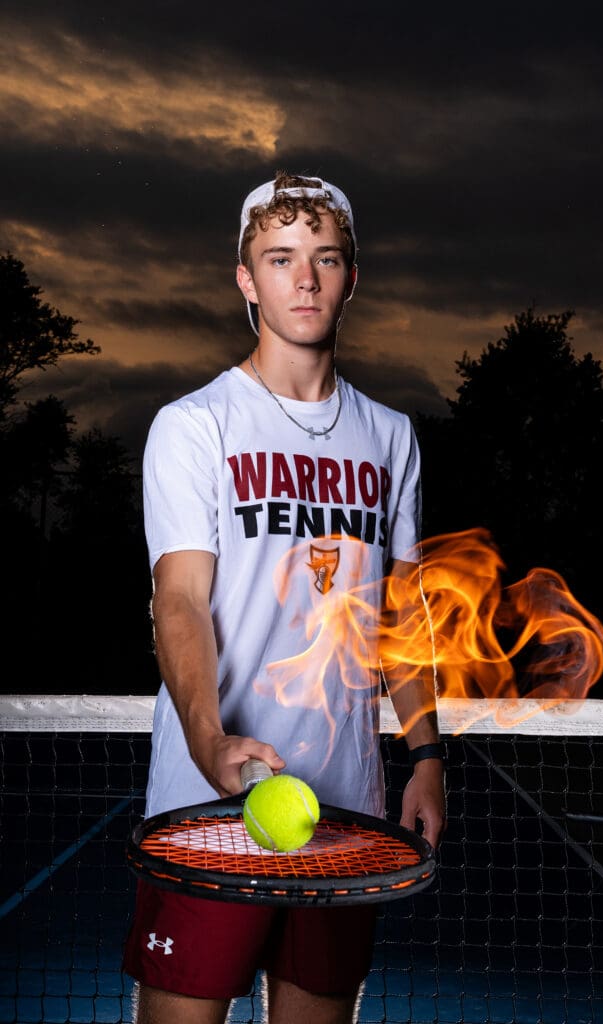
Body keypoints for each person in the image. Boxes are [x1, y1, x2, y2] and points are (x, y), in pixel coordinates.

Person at [122, 171, 447, 1024]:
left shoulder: (389, 435)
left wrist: (426, 757)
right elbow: (179, 600)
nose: (304, 280)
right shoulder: (195, 425)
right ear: (246, 279)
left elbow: (399, 615)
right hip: (208, 809)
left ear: (350, 277)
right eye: (279, 258)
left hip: (345, 813)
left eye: (325, 258)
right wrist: (209, 742)